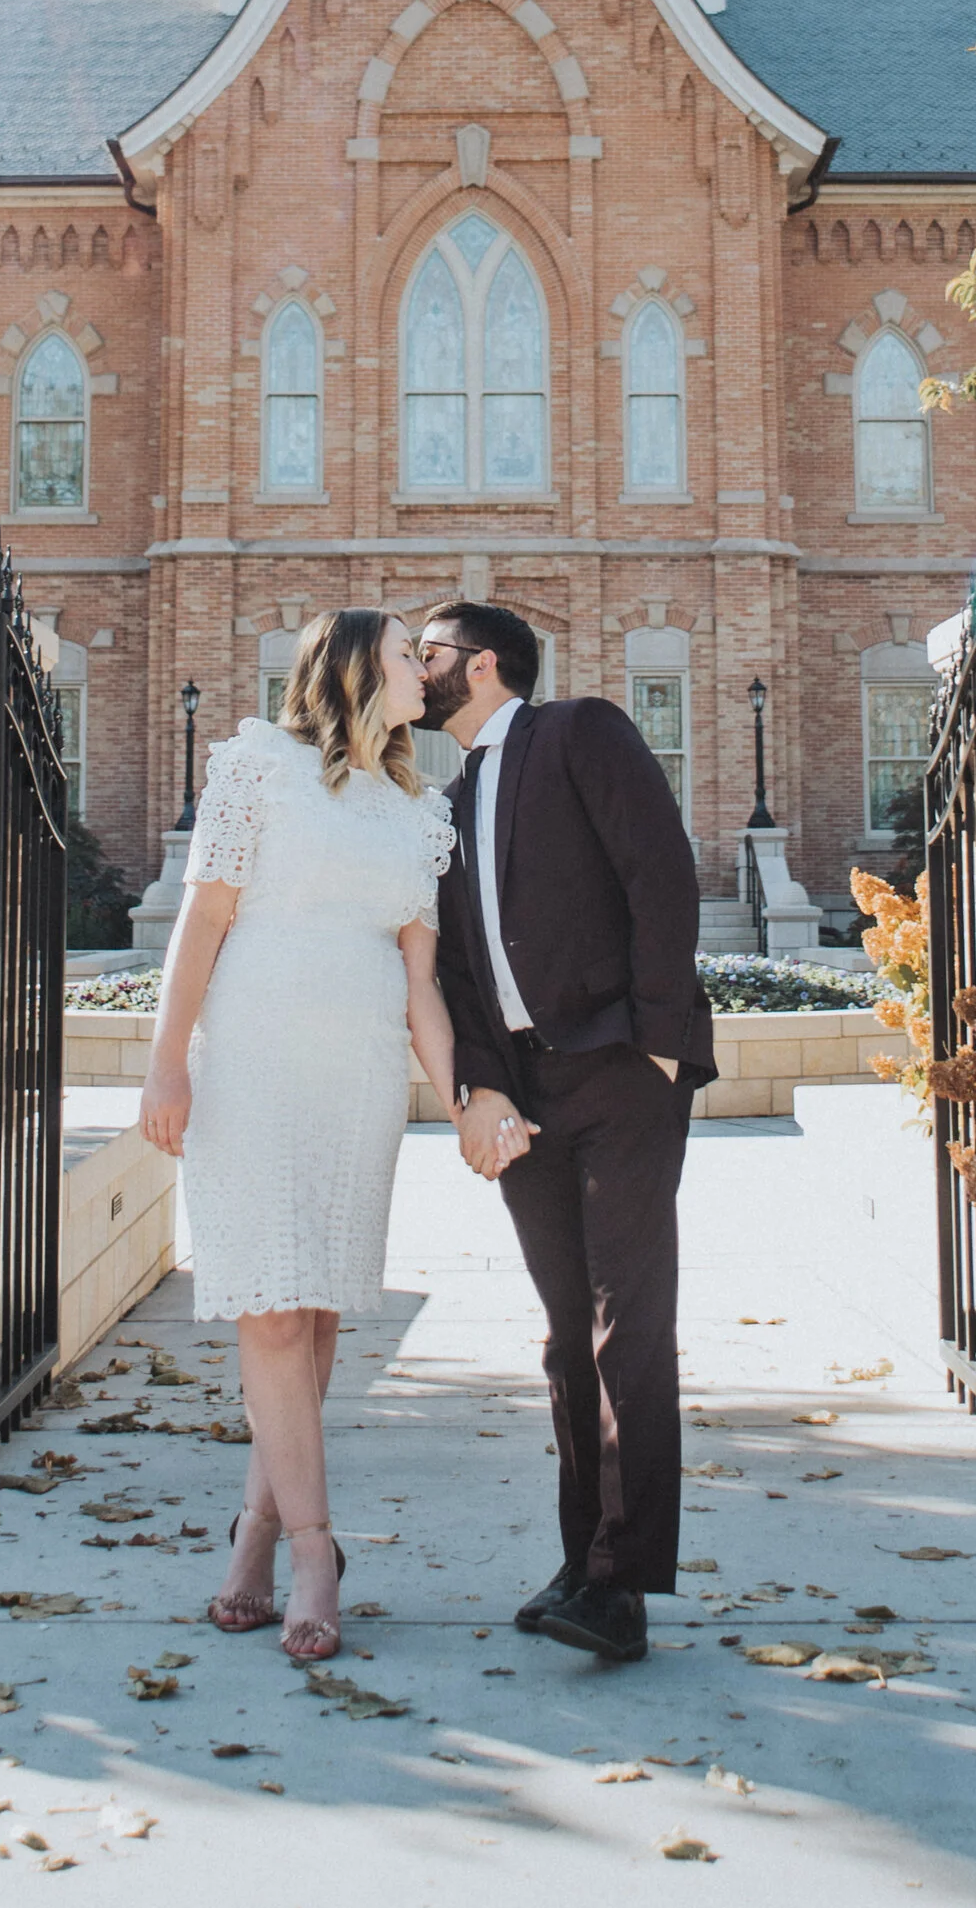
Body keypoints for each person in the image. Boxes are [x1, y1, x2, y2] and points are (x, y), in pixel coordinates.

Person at [136, 610, 464, 1664]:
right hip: (254, 1059)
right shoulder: (258, 766)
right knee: (269, 1308)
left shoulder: (418, 808)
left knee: (312, 1309)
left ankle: (255, 1534)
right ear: (360, 664)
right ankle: (317, 1552)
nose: (428, 669)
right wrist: (166, 1057)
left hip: (357, 1072)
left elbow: (421, 982)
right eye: (412, 654)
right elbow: (202, 920)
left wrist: (465, 1102)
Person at [421, 599, 715, 1664]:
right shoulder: (445, 802)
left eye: (430, 652)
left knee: (623, 1322)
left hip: (619, 1072)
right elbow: (457, 972)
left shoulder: (576, 731)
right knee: (562, 1334)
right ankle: (582, 1557)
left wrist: (657, 1039)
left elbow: (658, 869)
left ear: (485, 664)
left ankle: (621, 1586)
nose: (416, 669)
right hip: (526, 1094)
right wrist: (482, 1091)